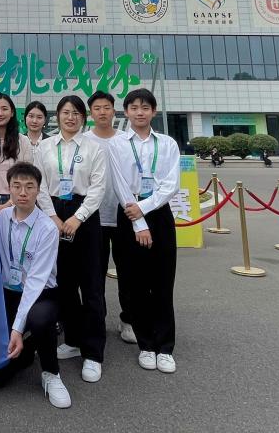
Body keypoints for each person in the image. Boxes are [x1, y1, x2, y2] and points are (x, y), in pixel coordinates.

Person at [0, 162, 70, 409]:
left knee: (39, 319)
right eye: (17, 186)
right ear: (9, 188)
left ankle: (51, 374)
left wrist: (17, 329)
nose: (23, 192)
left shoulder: (47, 229)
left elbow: (35, 282)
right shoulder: (1, 218)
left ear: (38, 190)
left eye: (29, 187)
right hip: (8, 293)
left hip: (41, 294)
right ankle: (30, 346)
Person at [34, 96, 107, 383]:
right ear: (58, 116)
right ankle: (74, 340)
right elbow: (39, 185)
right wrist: (52, 217)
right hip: (53, 212)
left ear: (83, 117)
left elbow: (98, 187)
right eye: (66, 112)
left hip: (84, 216)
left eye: (76, 113)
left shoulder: (93, 148)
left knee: (91, 286)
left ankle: (93, 352)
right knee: (63, 284)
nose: (71, 117)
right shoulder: (45, 147)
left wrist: (78, 217)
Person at [108, 89, 180, 374]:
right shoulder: (117, 144)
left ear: (153, 111)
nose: (140, 112)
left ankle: (165, 347)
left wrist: (145, 208)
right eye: (134, 107)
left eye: (145, 107)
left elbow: (171, 184)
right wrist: (138, 220)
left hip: (159, 213)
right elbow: (119, 184)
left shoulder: (167, 144)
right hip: (128, 212)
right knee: (135, 283)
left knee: (163, 282)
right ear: (126, 111)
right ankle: (146, 345)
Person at [84, 91, 136, 345]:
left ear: (114, 111)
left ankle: (128, 319)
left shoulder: (126, 140)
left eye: (106, 107)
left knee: (128, 271)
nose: (102, 112)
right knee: (95, 273)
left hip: (123, 214)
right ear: (90, 113)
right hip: (94, 216)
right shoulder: (84, 140)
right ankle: (97, 320)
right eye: (97, 108)